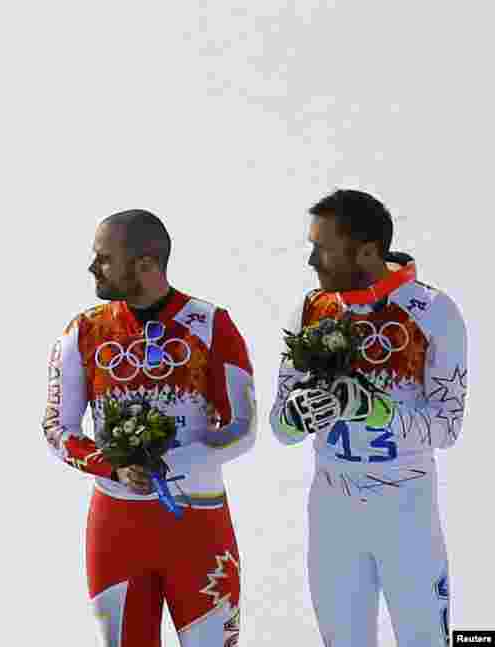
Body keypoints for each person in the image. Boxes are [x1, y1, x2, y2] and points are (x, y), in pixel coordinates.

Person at [43, 209, 256, 647]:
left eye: (104, 259)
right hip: (118, 527)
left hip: (197, 523)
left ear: (145, 264)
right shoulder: (83, 331)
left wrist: (170, 462)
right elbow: (56, 427)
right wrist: (113, 467)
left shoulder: (213, 325)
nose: (91, 267)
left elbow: (244, 427)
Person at [270, 190, 466, 647]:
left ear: (368, 252)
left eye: (323, 248)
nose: (311, 260)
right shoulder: (311, 308)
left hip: (406, 513)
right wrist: (297, 415)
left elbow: (447, 428)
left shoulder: (434, 311)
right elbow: (280, 428)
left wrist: (374, 410)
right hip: (332, 511)